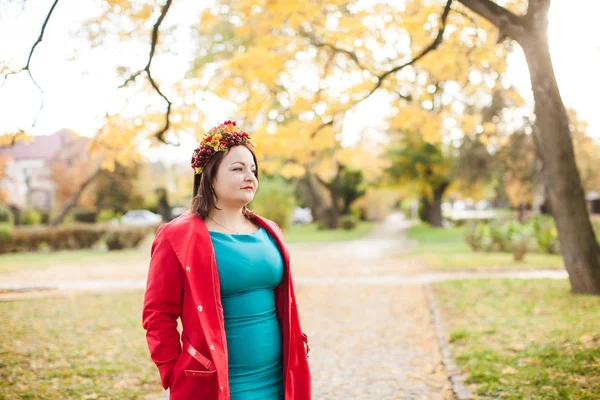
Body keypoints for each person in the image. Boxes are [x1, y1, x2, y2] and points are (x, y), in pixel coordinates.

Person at [142, 120, 311, 400]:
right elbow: (158, 313)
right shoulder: (177, 236)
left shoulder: (270, 230)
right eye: (238, 169)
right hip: (219, 384)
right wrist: (172, 369)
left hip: (281, 380)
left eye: (253, 170)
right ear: (210, 177)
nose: (250, 177)